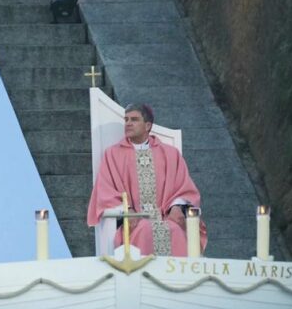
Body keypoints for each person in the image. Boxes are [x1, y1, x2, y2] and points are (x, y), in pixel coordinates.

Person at [87, 103, 205, 256]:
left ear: (147, 125)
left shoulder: (170, 154)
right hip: (134, 222)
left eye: (134, 119)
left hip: (165, 217)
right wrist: (127, 210)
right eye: (126, 119)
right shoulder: (113, 154)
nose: (128, 123)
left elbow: (184, 187)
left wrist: (176, 207)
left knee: (175, 231)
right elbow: (105, 189)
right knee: (145, 229)